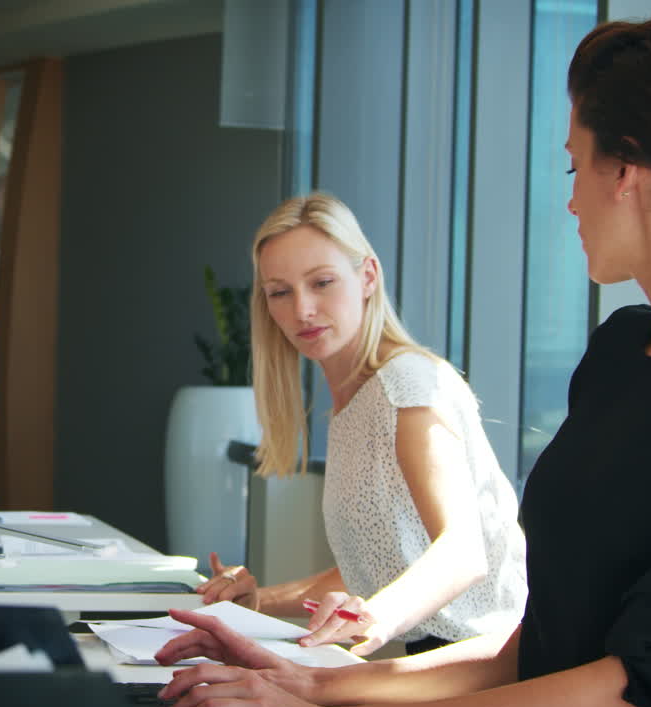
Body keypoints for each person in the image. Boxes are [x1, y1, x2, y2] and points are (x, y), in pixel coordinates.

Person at [153, 14, 651, 707]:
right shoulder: (622, 350)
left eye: (573, 164)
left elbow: (646, 687)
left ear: (626, 170)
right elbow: (535, 652)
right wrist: (311, 683)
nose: (568, 199)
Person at [194, 191, 527, 657]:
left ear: (367, 276)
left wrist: (372, 618)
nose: (302, 310)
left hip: (485, 665)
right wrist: (257, 600)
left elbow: (463, 553)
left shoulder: (407, 384)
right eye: (280, 292)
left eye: (322, 282)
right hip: (434, 660)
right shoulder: (353, 400)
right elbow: (378, 566)